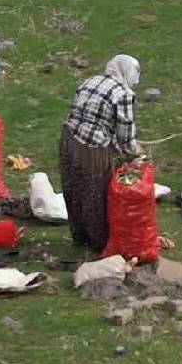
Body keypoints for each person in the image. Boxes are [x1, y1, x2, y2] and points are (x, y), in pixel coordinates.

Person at [58, 54, 141, 252]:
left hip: (69, 139)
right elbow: (125, 131)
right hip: (92, 149)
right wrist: (133, 153)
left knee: (74, 188)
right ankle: (98, 242)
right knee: (95, 193)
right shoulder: (123, 94)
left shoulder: (90, 80)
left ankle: (79, 235)